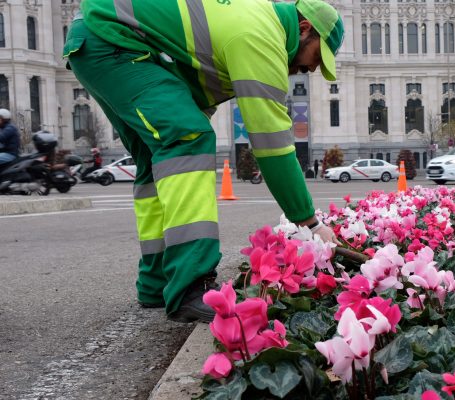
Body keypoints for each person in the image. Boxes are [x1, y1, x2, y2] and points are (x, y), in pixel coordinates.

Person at [65, 0, 343, 323]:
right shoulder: (263, 36)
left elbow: (193, 85)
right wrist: (310, 222)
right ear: (305, 28)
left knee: (156, 157)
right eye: (315, 58)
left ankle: (157, 283)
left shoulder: (254, 18)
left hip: (101, 38)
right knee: (189, 138)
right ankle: (190, 286)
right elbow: (274, 146)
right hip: (113, 41)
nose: (310, 70)